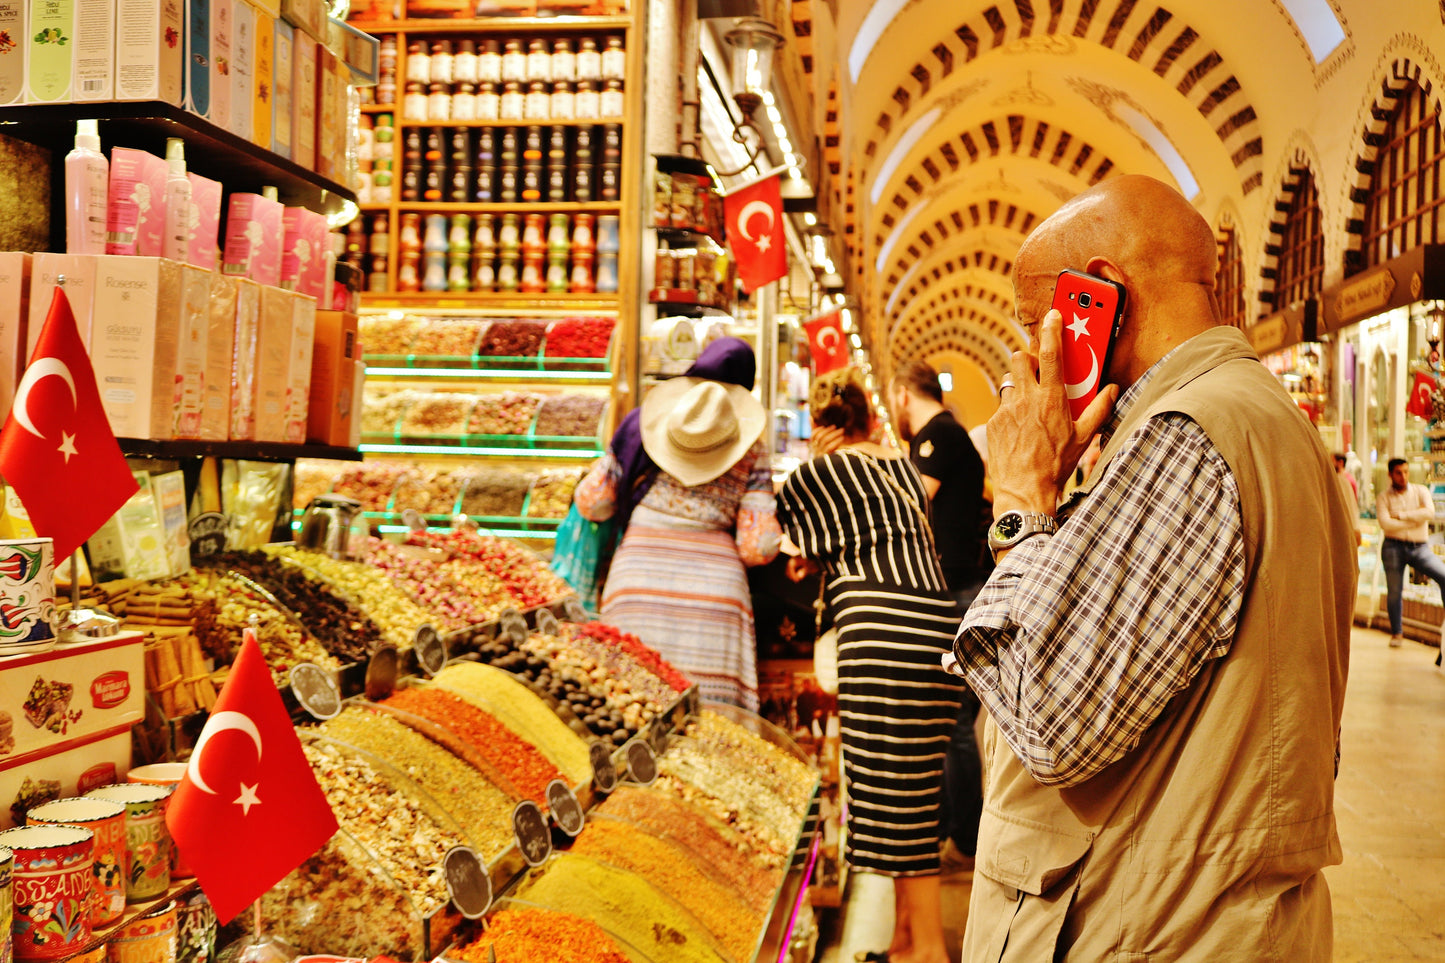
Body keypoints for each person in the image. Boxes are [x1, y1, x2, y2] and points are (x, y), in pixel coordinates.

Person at [949, 174, 1356, 961]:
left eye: (1036, 323)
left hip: (1155, 928)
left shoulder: (1188, 433)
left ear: (1096, 296)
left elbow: (1053, 717)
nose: (1032, 352)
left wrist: (1020, 498)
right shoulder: (1260, 417)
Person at [777, 367, 966, 963]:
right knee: (914, 785)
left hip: (880, 637)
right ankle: (905, 938)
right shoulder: (903, 469)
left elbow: (784, 539)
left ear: (824, 426)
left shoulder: (824, 472)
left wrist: (813, 458)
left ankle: (928, 950)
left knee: (890, 792)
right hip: (933, 626)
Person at [574, 337, 780, 710]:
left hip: (635, 586)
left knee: (625, 704)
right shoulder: (753, 449)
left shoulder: (639, 426)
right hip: (715, 600)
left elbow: (594, 503)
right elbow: (757, 547)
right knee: (708, 722)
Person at [1377, 456, 1445, 647]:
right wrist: (1415, 518)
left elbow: (1429, 513)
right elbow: (1385, 523)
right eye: (1398, 472)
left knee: (1443, 576)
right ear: (1390, 474)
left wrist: (1401, 516)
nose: (1403, 476)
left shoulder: (1420, 491)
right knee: (1394, 591)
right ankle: (1397, 633)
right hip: (1393, 546)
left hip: (1419, 547)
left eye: (1406, 471)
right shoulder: (1383, 497)